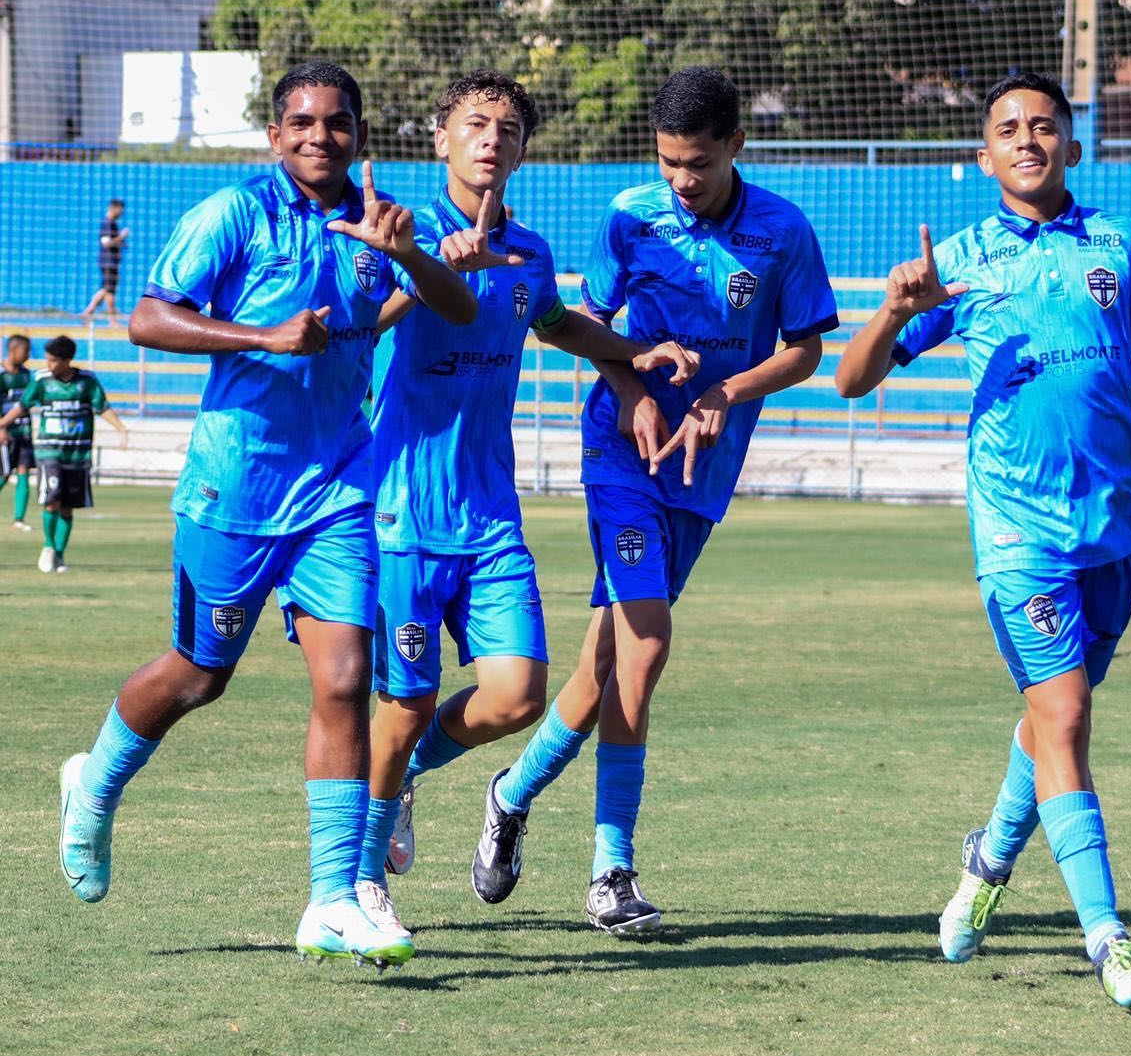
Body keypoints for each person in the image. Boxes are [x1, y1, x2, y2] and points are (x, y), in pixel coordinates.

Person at [53, 60, 476, 972]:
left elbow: (457, 302)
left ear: (360, 131)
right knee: (200, 676)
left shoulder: (386, 218)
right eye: (302, 122)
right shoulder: (233, 215)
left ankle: (331, 900)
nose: (320, 136)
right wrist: (263, 335)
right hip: (234, 489)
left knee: (345, 675)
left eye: (337, 122)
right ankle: (92, 784)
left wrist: (407, 253)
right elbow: (149, 318)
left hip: (340, 488)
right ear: (275, 134)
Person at [833, 73, 1131, 1012]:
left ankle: (988, 859)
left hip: (1113, 528)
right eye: (1008, 129)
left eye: (1044, 126)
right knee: (1068, 719)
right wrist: (893, 311)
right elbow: (849, 381)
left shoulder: (1122, 244)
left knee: (1050, 723)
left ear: (1071, 146)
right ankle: (1108, 941)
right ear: (985, 157)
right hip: (1016, 533)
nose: (1028, 139)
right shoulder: (956, 261)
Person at [461, 66, 838, 934]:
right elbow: (587, 327)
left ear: (736, 146)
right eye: (669, 161)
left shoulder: (784, 232)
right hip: (621, 453)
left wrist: (728, 392)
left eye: (698, 163)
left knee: (605, 671)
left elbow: (808, 350)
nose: (681, 178)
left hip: (703, 470)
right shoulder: (630, 215)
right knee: (650, 644)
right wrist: (628, 385)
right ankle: (612, 872)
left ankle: (510, 795)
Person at [352, 70, 699, 939]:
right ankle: (364, 885)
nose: (490, 139)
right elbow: (362, 327)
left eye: (507, 128)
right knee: (401, 702)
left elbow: (557, 323)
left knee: (514, 694)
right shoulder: (398, 230)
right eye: (474, 123)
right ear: (441, 139)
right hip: (401, 508)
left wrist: (637, 351)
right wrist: (423, 265)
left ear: (522, 150)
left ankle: (402, 783)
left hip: (490, 513)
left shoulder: (531, 252)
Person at [0, 335, 127, 572]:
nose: (49, 365)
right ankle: (48, 546)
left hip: (78, 454)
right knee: (51, 501)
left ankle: (59, 554)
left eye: (53, 361)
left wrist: (121, 428)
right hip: (50, 451)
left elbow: (103, 407)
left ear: (67, 360)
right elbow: (22, 406)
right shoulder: (41, 380)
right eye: (47, 360)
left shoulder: (87, 381)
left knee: (68, 507)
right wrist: (2, 424)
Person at [0, 332, 35, 531]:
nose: (28, 355)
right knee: (4, 473)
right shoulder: (1, 375)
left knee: (24, 471)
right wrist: (1, 428)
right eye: (25, 350)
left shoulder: (26, 374)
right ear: (13, 350)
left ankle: (18, 519)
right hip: (6, 431)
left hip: (24, 431)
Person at [83, 199, 129, 325]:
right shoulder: (107, 222)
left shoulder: (112, 223)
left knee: (106, 289)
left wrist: (121, 243)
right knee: (110, 290)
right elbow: (106, 243)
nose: (121, 214)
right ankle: (112, 319)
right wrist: (122, 237)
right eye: (121, 211)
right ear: (114, 208)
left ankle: (89, 311)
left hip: (111, 262)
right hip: (108, 262)